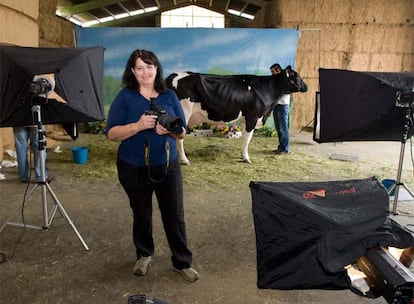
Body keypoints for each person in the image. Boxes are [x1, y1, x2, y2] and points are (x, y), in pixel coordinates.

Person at [105, 49, 200, 282]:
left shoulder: (169, 96)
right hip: (133, 166)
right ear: (132, 71)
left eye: (149, 66)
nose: (145, 72)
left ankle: (182, 262)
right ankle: (144, 254)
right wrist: (137, 126)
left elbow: (182, 133)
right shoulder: (125, 97)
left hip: (167, 166)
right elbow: (111, 133)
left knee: (174, 215)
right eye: (139, 67)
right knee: (141, 213)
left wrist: (170, 129)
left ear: (157, 68)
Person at [270, 63, 291, 155]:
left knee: (283, 128)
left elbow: (287, 91)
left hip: (283, 105)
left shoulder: (285, 79)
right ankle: (281, 147)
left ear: (278, 70)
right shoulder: (276, 80)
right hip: (276, 105)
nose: (272, 74)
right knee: (278, 128)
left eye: (273, 71)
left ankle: (285, 149)